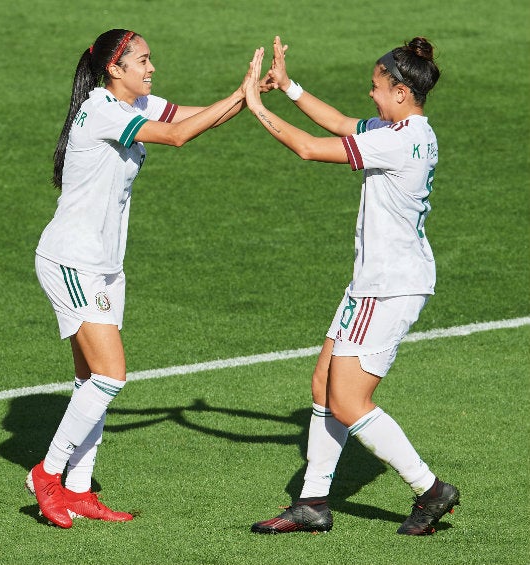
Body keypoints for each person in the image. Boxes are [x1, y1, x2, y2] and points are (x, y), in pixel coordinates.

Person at [28, 28, 263, 528]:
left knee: (90, 379)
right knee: (112, 375)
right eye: (143, 60)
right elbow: (179, 136)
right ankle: (46, 474)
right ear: (115, 69)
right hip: (72, 261)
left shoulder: (138, 103)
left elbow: (191, 117)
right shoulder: (104, 112)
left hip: (106, 265)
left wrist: (249, 93)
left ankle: (78, 488)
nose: (151, 67)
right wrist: (242, 96)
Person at [241, 36, 457, 535]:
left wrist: (255, 104)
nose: (371, 94)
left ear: (401, 92)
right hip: (375, 282)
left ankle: (431, 490)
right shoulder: (405, 128)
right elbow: (340, 124)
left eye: (377, 87)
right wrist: (291, 87)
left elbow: (310, 148)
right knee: (323, 385)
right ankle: (313, 502)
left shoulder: (397, 140)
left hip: (388, 286)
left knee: (348, 401)